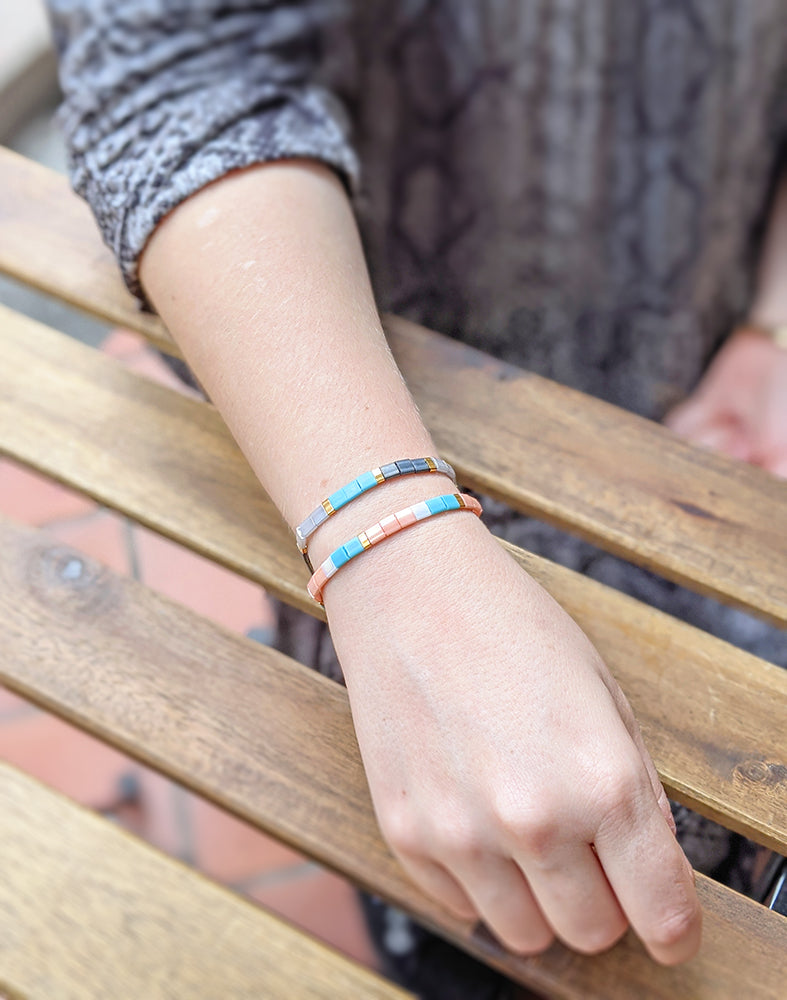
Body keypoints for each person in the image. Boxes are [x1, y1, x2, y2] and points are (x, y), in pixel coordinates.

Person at [47, 1, 787, 996]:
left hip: (721, 357)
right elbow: (174, 74)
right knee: (502, 884)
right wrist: (390, 546)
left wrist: (773, 327)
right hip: (368, 402)